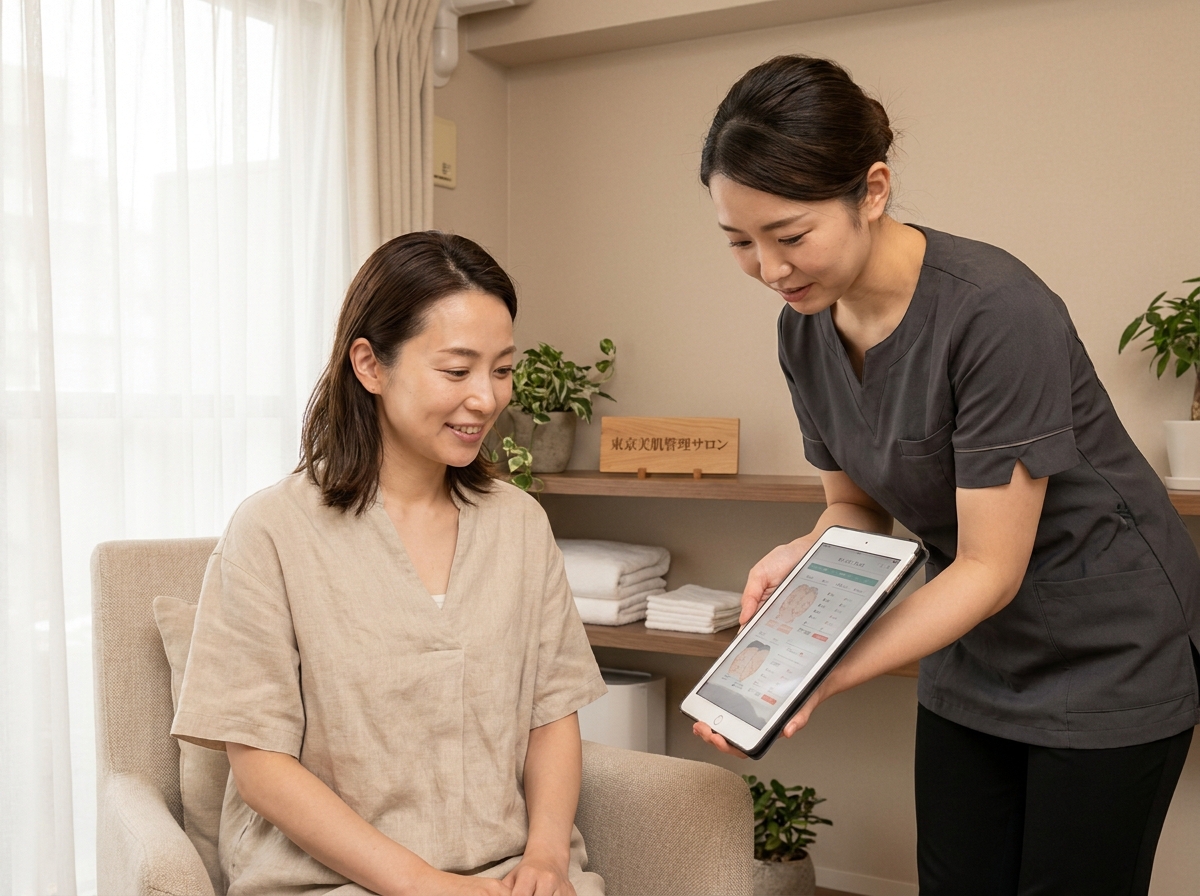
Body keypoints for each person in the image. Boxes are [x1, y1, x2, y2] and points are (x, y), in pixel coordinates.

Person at [691, 55, 1200, 895]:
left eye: (789, 235)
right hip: (971, 641)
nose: (771, 269)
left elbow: (992, 567)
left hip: (1107, 643)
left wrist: (816, 671)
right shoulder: (804, 330)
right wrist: (804, 554)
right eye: (740, 242)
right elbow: (855, 507)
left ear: (874, 191)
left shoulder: (995, 310)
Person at [172, 232, 607, 896]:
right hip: (328, 881)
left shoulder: (520, 523)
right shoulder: (272, 531)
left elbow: (552, 713)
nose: (487, 399)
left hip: (507, 876)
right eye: (457, 371)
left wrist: (546, 857)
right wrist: (425, 885)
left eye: (501, 369)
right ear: (370, 365)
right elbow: (260, 763)